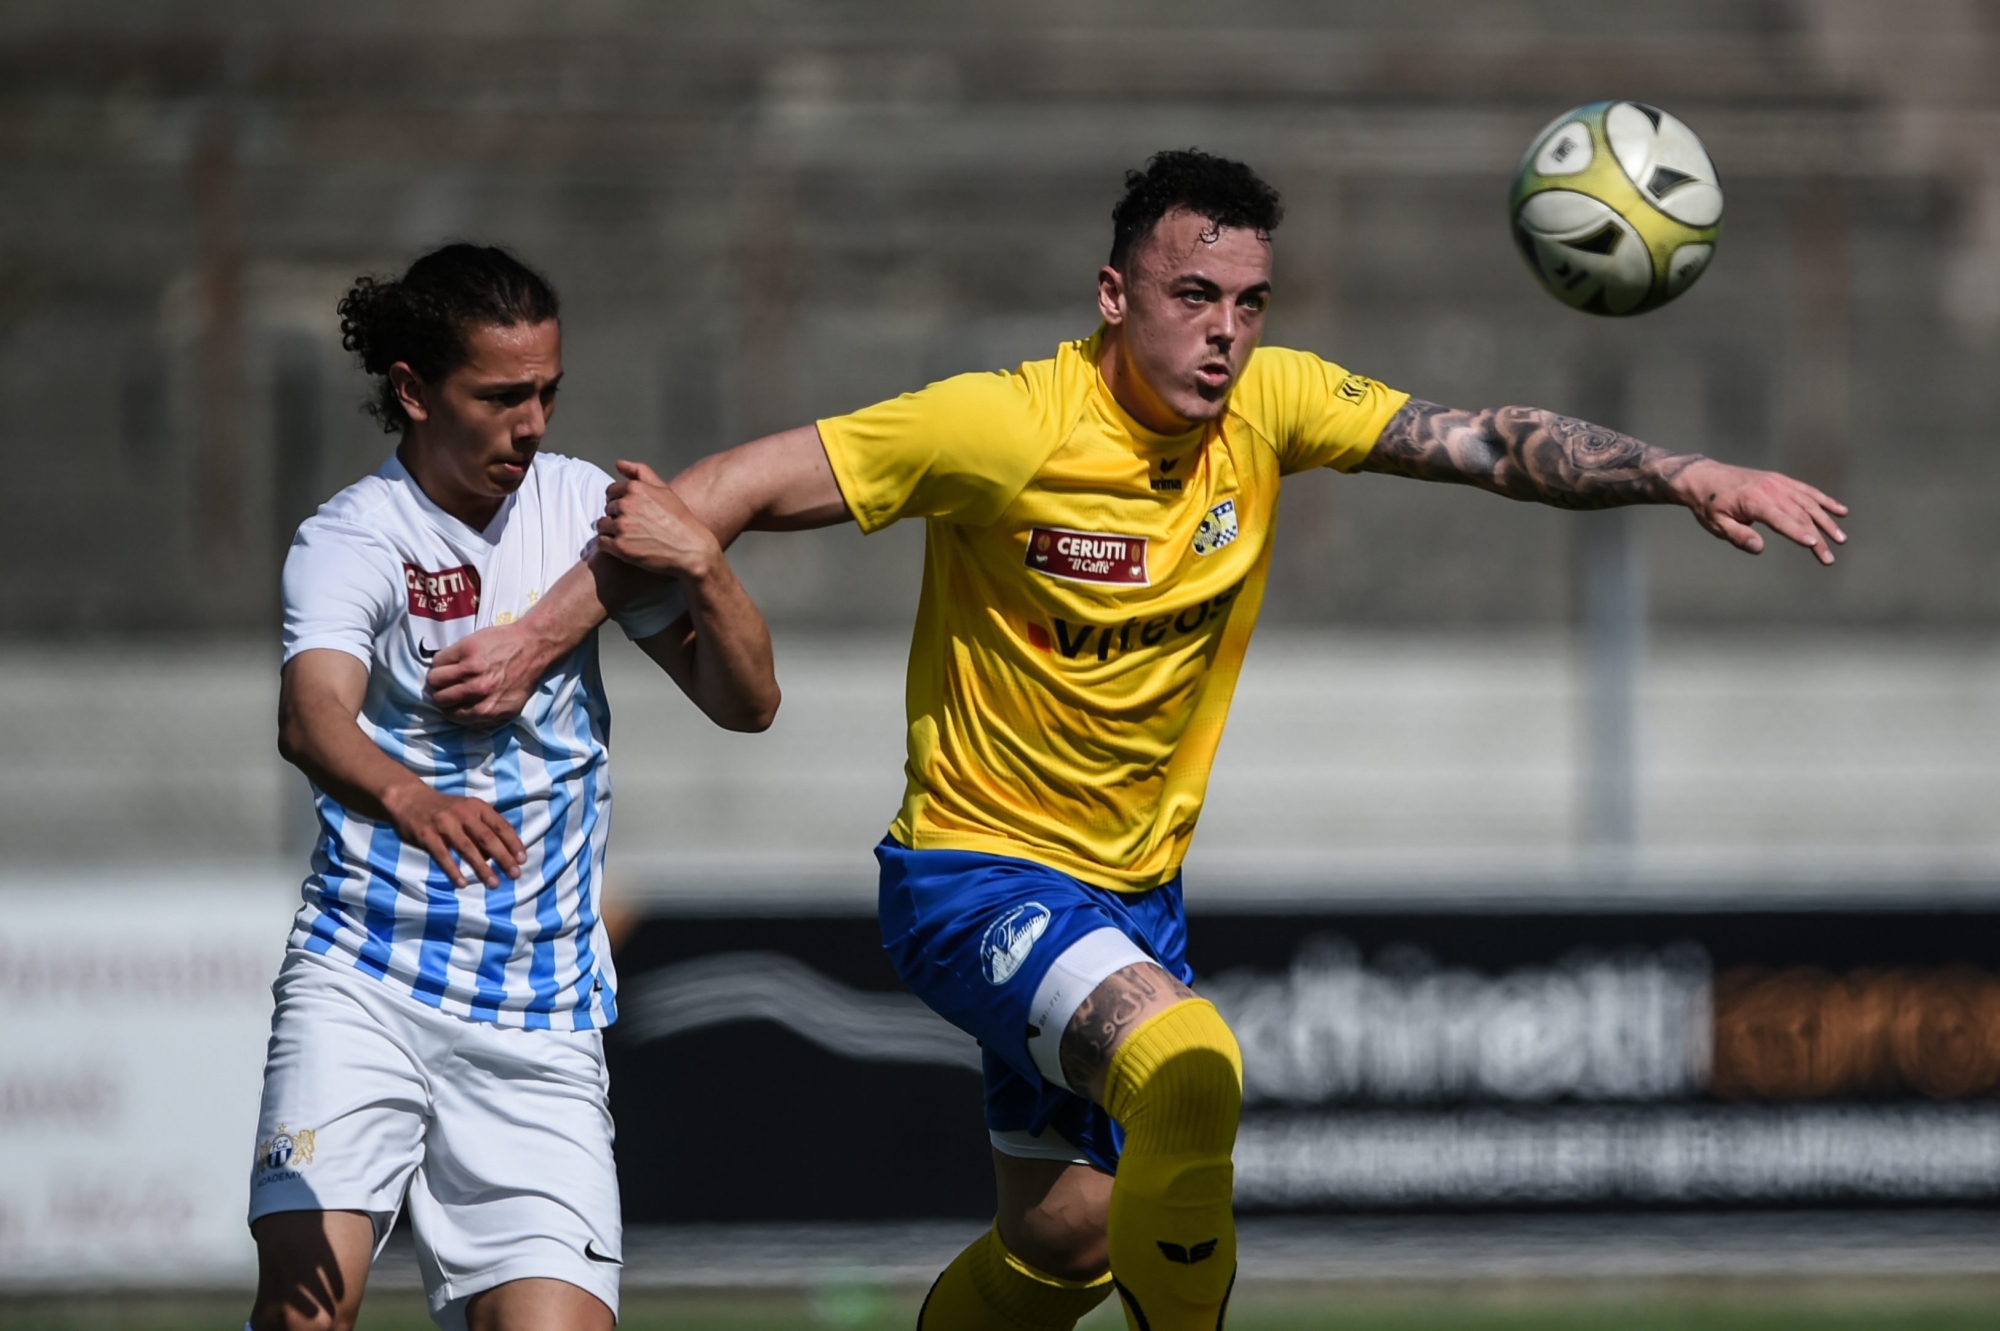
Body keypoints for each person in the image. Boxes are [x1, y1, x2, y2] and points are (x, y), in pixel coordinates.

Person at [426, 152, 1848, 1331]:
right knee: (1192, 1064)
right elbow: (717, 489)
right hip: (973, 876)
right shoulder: (1003, 424)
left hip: (1130, 897)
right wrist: (539, 636)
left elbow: (1476, 438)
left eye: (1248, 300)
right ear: (1116, 296)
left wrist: (1682, 471)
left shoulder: (1272, 409)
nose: (1225, 329)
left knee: (1065, 1245)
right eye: (1191, 295)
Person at [247, 244, 778, 1331]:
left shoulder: (584, 512)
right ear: (411, 389)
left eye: (547, 392)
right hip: (367, 980)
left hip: (539, 1020)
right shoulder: (353, 539)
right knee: (307, 1307)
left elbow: (747, 702)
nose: (531, 423)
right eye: (499, 397)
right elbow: (312, 718)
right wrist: (411, 798)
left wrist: (706, 565)